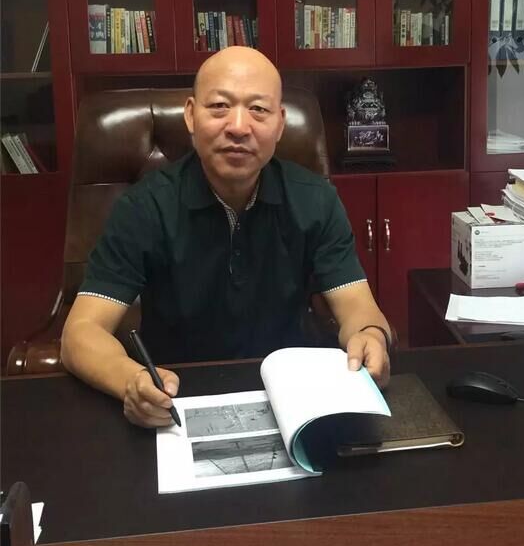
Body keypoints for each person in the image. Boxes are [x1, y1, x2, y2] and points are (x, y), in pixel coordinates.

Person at [61, 47, 392, 428]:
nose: (238, 126)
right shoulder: (144, 207)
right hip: (176, 400)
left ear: (280, 123)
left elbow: (357, 307)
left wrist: (370, 335)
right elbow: (80, 333)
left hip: (291, 399)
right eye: (219, 106)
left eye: (258, 109)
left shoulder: (316, 200)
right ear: (190, 115)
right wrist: (131, 380)